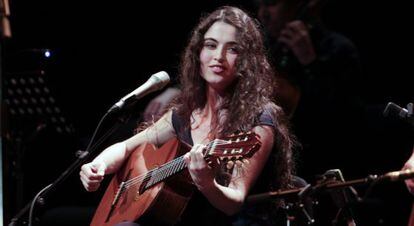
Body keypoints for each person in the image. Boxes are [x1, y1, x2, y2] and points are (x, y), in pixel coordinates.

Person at [80, 6, 296, 226]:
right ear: (198, 54)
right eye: (211, 45)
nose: (218, 57)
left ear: (247, 60)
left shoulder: (260, 118)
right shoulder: (185, 113)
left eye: (232, 49)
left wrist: (207, 183)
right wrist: (99, 165)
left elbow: (234, 202)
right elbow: (125, 148)